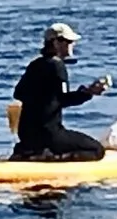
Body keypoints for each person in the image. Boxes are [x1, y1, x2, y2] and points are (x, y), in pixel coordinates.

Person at [12, 21, 109, 158]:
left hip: (26, 134)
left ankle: (28, 150)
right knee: (97, 150)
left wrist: (43, 97)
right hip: (49, 134)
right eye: (68, 42)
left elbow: (18, 93)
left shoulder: (35, 64)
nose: (72, 45)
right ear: (56, 43)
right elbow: (63, 99)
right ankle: (49, 157)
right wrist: (89, 93)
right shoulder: (57, 67)